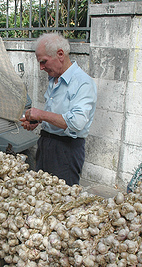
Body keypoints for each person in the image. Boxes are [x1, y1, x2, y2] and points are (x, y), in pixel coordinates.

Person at [20, 33, 97, 186]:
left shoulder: (83, 83)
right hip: (46, 144)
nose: (41, 67)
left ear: (60, 54)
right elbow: (57, 115)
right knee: (41, 192)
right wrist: (38, 120)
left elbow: (76, 122)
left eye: (44, 62)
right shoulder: (54, 79)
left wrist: (41, 114)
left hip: (66, 150)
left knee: (62, 199)